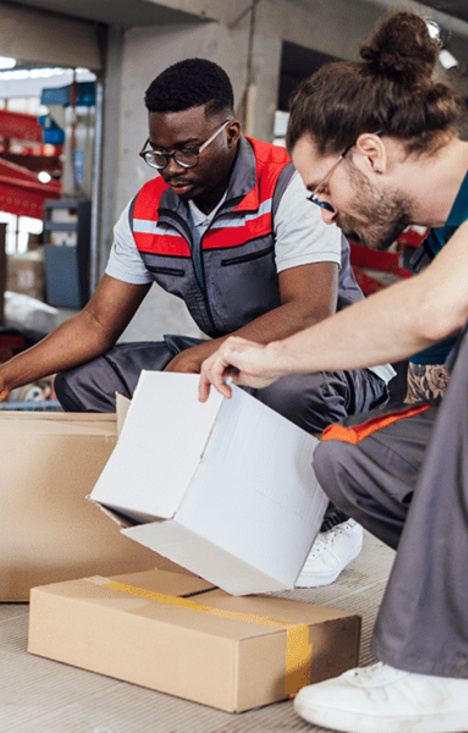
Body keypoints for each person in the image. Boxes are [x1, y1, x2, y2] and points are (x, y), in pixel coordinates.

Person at [0, 58, 391, 587]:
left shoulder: (290, 188)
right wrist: (5, 377)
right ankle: (194, 500)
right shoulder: (146, 211)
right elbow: (98, 321)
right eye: (159, 153)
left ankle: (330, 522)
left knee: (291, 393)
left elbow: (310, 311)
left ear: (230, 134)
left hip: (330, 357)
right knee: (85, 381)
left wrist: (200, 358)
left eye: (187, 150)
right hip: (226, 358)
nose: (171, 167)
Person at [200, 12, 468, 733]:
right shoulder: (441, 232)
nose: (323, 214)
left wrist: (273, 353)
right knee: (352, 456)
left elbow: (432, 312)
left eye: (323, 191)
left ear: (372, 155)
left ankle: (433, 672)